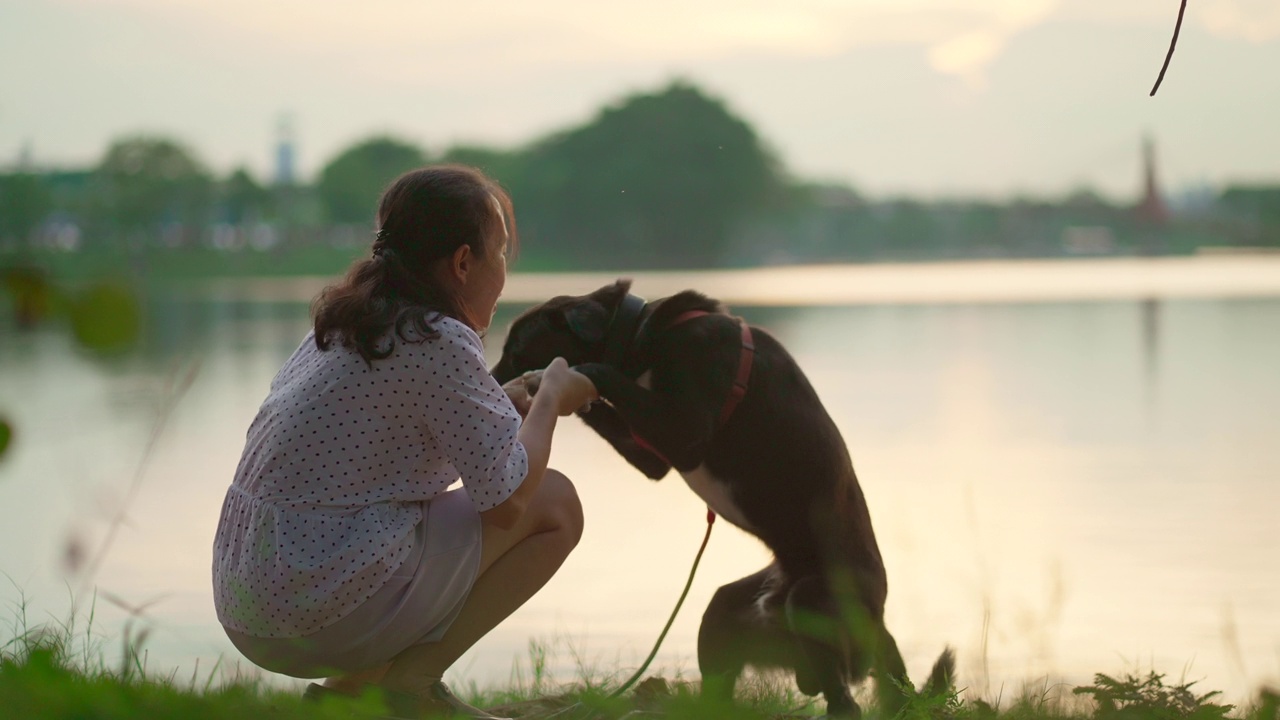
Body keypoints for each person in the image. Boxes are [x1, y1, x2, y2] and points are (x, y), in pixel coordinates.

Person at [212, 165, 597, 719]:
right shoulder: (437, 338)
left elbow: (408, 426)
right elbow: (509, 500)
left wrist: (502, 398)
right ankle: (411, 687)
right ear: (464, 263)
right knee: (554, 504)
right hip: (312, 602)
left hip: (249, 600)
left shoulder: (347, 324)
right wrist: (552, 398)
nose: (504, 271)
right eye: (501, 254)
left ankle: (345, 695)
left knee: (408, 522)